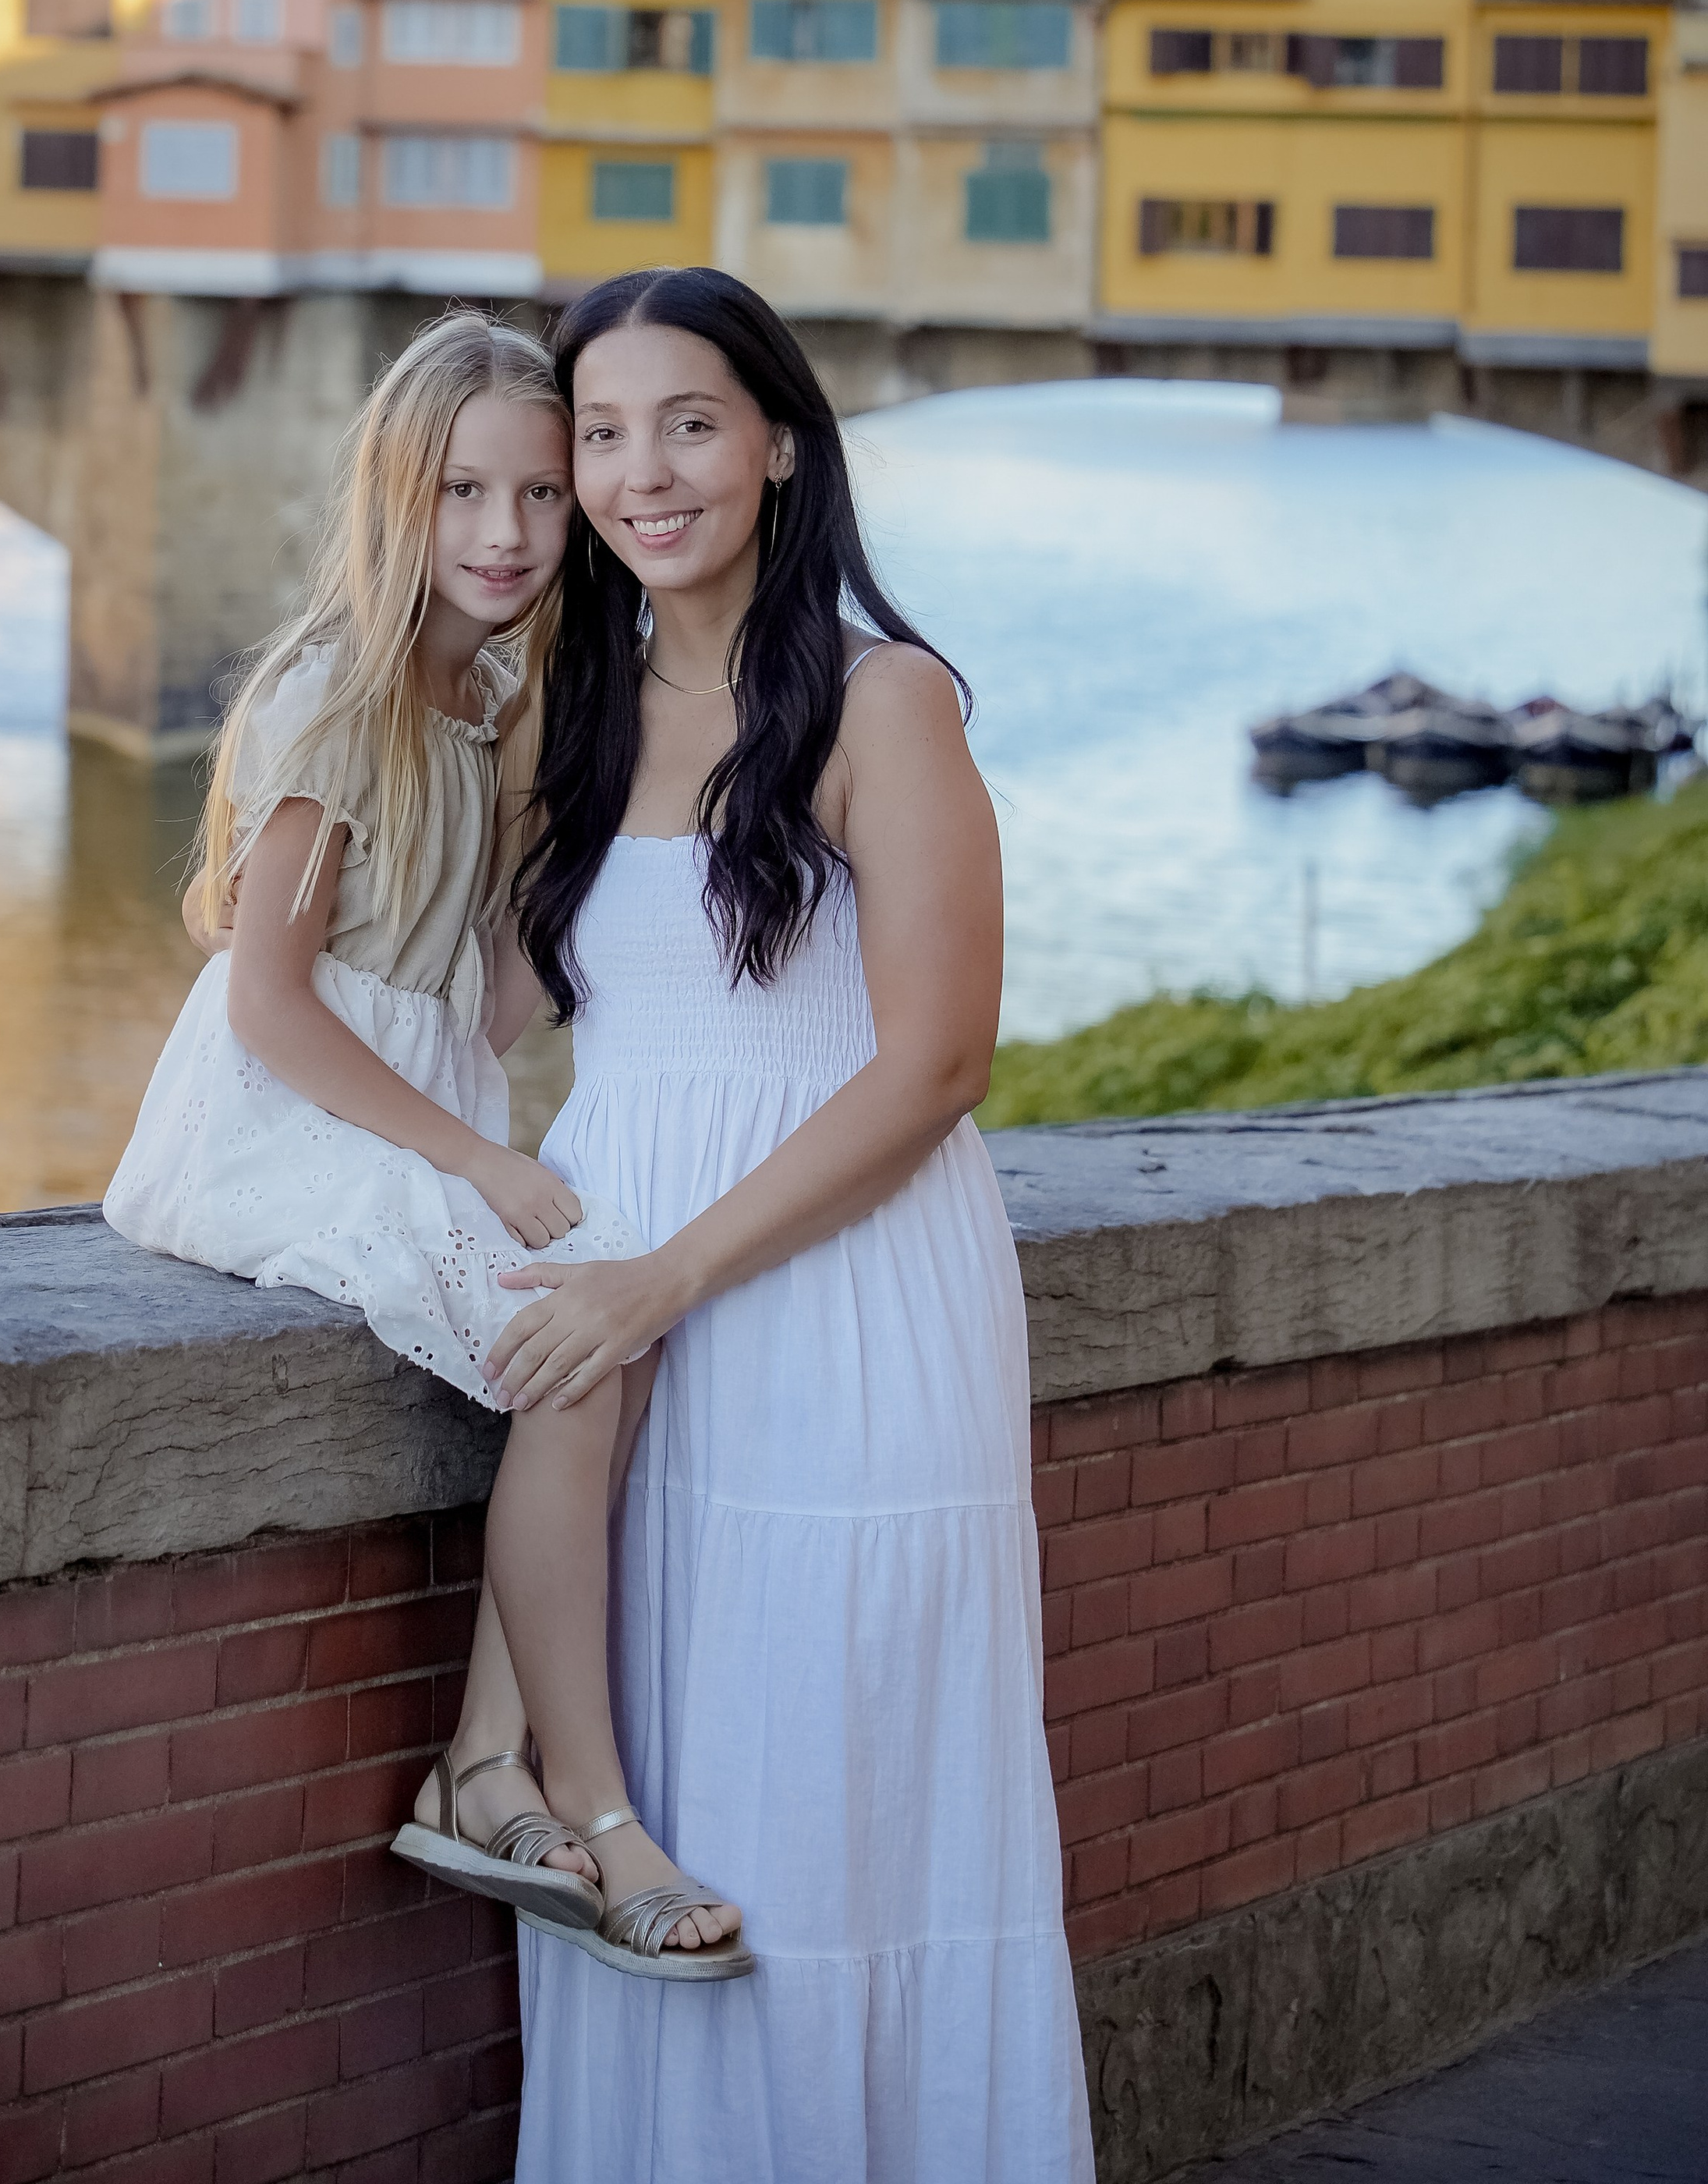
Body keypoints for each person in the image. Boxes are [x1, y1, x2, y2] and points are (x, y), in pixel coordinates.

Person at [485, 268, 1096, 2181]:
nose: (641, 473)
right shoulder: (571, 704)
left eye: (688, 423)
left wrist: (660, 1279)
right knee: (660, 1790)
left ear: (776, 444)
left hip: (834, 1305)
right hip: (621, 1326)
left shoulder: (878, 698)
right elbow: (479, 1010)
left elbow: (936, 1064)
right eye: (599, 434)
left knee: (830, 1799)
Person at [104, 310, 746, 1962]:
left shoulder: (491, 700)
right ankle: (575, 1795)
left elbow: (494, 996)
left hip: (409, 1112)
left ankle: (483, 1761)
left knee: (603, 1327)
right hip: (275, 1123)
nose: (505, 534)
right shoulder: (338, 693)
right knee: (580, 1348)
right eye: (464, 492)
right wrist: (479, 1161)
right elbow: (271, 1006)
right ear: (400, 496)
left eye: (538, 495)